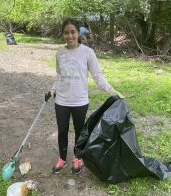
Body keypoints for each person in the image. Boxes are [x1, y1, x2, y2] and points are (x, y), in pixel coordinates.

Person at [45, 18, 123, 175]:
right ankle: (62, 158)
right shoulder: (60, 53)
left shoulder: (88, 52)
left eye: (73, 32)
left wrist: (111, 90)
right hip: (62, 101)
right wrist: (53, 89)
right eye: (66, 33)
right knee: (62, 131)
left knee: (80, 131)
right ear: (63, 34)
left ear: (78, 33)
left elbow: (97, 76)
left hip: (80, 101)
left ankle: (77, 158)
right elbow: (59, 74)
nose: (70, 36)